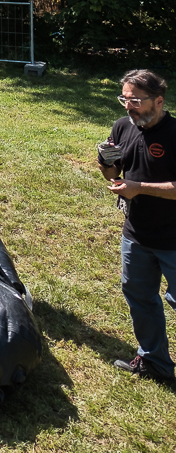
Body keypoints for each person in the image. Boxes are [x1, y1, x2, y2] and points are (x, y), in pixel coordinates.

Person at [97, 69, 176, 386]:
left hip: (173, 237)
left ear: (158, 101)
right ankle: (155, 361)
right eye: (124, 99)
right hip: (137, 234)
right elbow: (113, 173)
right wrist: (106, 165)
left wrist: (138, 187)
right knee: (141, 298)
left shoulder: (174, 133)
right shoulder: (122, 127)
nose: (128, 107)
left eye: (136, 101)